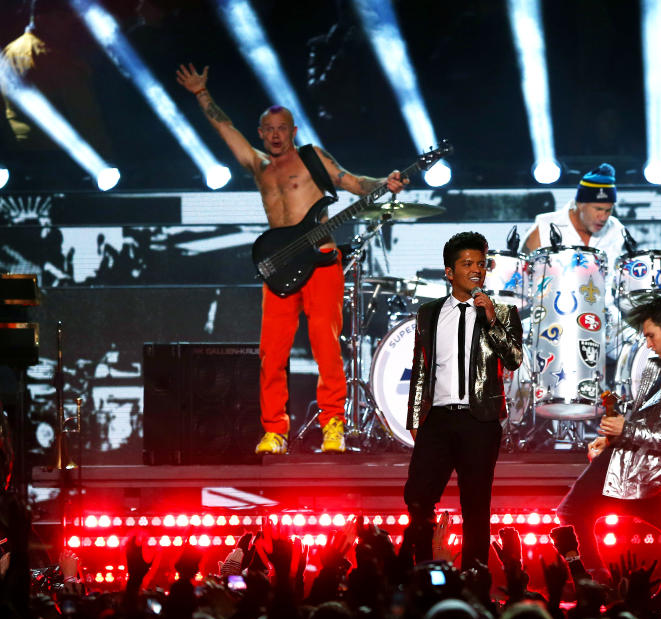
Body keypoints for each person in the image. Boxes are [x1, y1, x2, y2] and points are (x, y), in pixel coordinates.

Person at [176, 63, 406, 455]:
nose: (276, 135)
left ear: (293, 132)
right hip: (280, 266)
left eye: (283, 128)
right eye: (269, 129)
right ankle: (274, 431)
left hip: (320, 261)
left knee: (326, 346)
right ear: (261, 134)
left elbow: (353, 183)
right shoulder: (258, 166)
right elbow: (224, 128)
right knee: (272, 352)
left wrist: (384, 183)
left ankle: (333, 424)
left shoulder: (312, 157)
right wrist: (202, 95)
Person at [555, 295, 661, 575]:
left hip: (646, 466)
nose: (648, 344)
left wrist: (626, 431)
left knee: (573, 513)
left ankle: (595, 586)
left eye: (651, 335)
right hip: (642, 461)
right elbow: (651, 415)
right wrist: (613, 438)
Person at [402, 231, 523, 570]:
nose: (476, 271)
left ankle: (475, 576)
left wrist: (492, 320)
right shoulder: (429, 313)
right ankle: (423, 570)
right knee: (418, 498)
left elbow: (513, 359)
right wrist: (415, 419)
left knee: (475, 504)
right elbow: (421, 366)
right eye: (467, 264)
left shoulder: (503, 311)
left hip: (479, 420)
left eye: (481, 265)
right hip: (437, 420)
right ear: (449, 271)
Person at [522, 162, 626, 268]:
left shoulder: (616, 229)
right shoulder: (545, 227)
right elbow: (521, 273)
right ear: (580, 204)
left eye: (608, 210)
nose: (604, 217)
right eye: (598, 209)